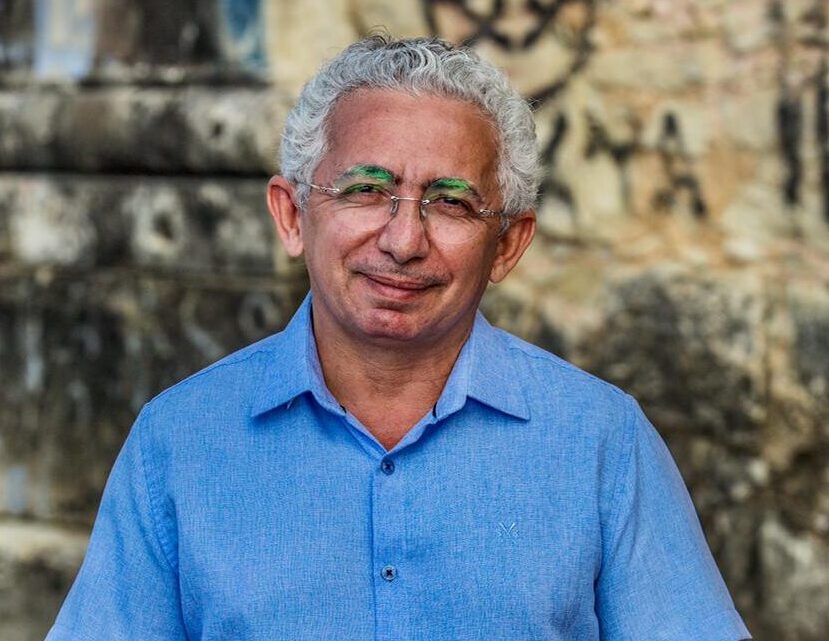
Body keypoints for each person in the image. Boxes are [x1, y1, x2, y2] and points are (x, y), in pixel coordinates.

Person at [46, 36, 751, 641]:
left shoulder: (600, 439)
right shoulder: (179, 440)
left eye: (451, 202)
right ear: (292, 215)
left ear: (507, 245)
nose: (404, 239)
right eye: (364, 190)